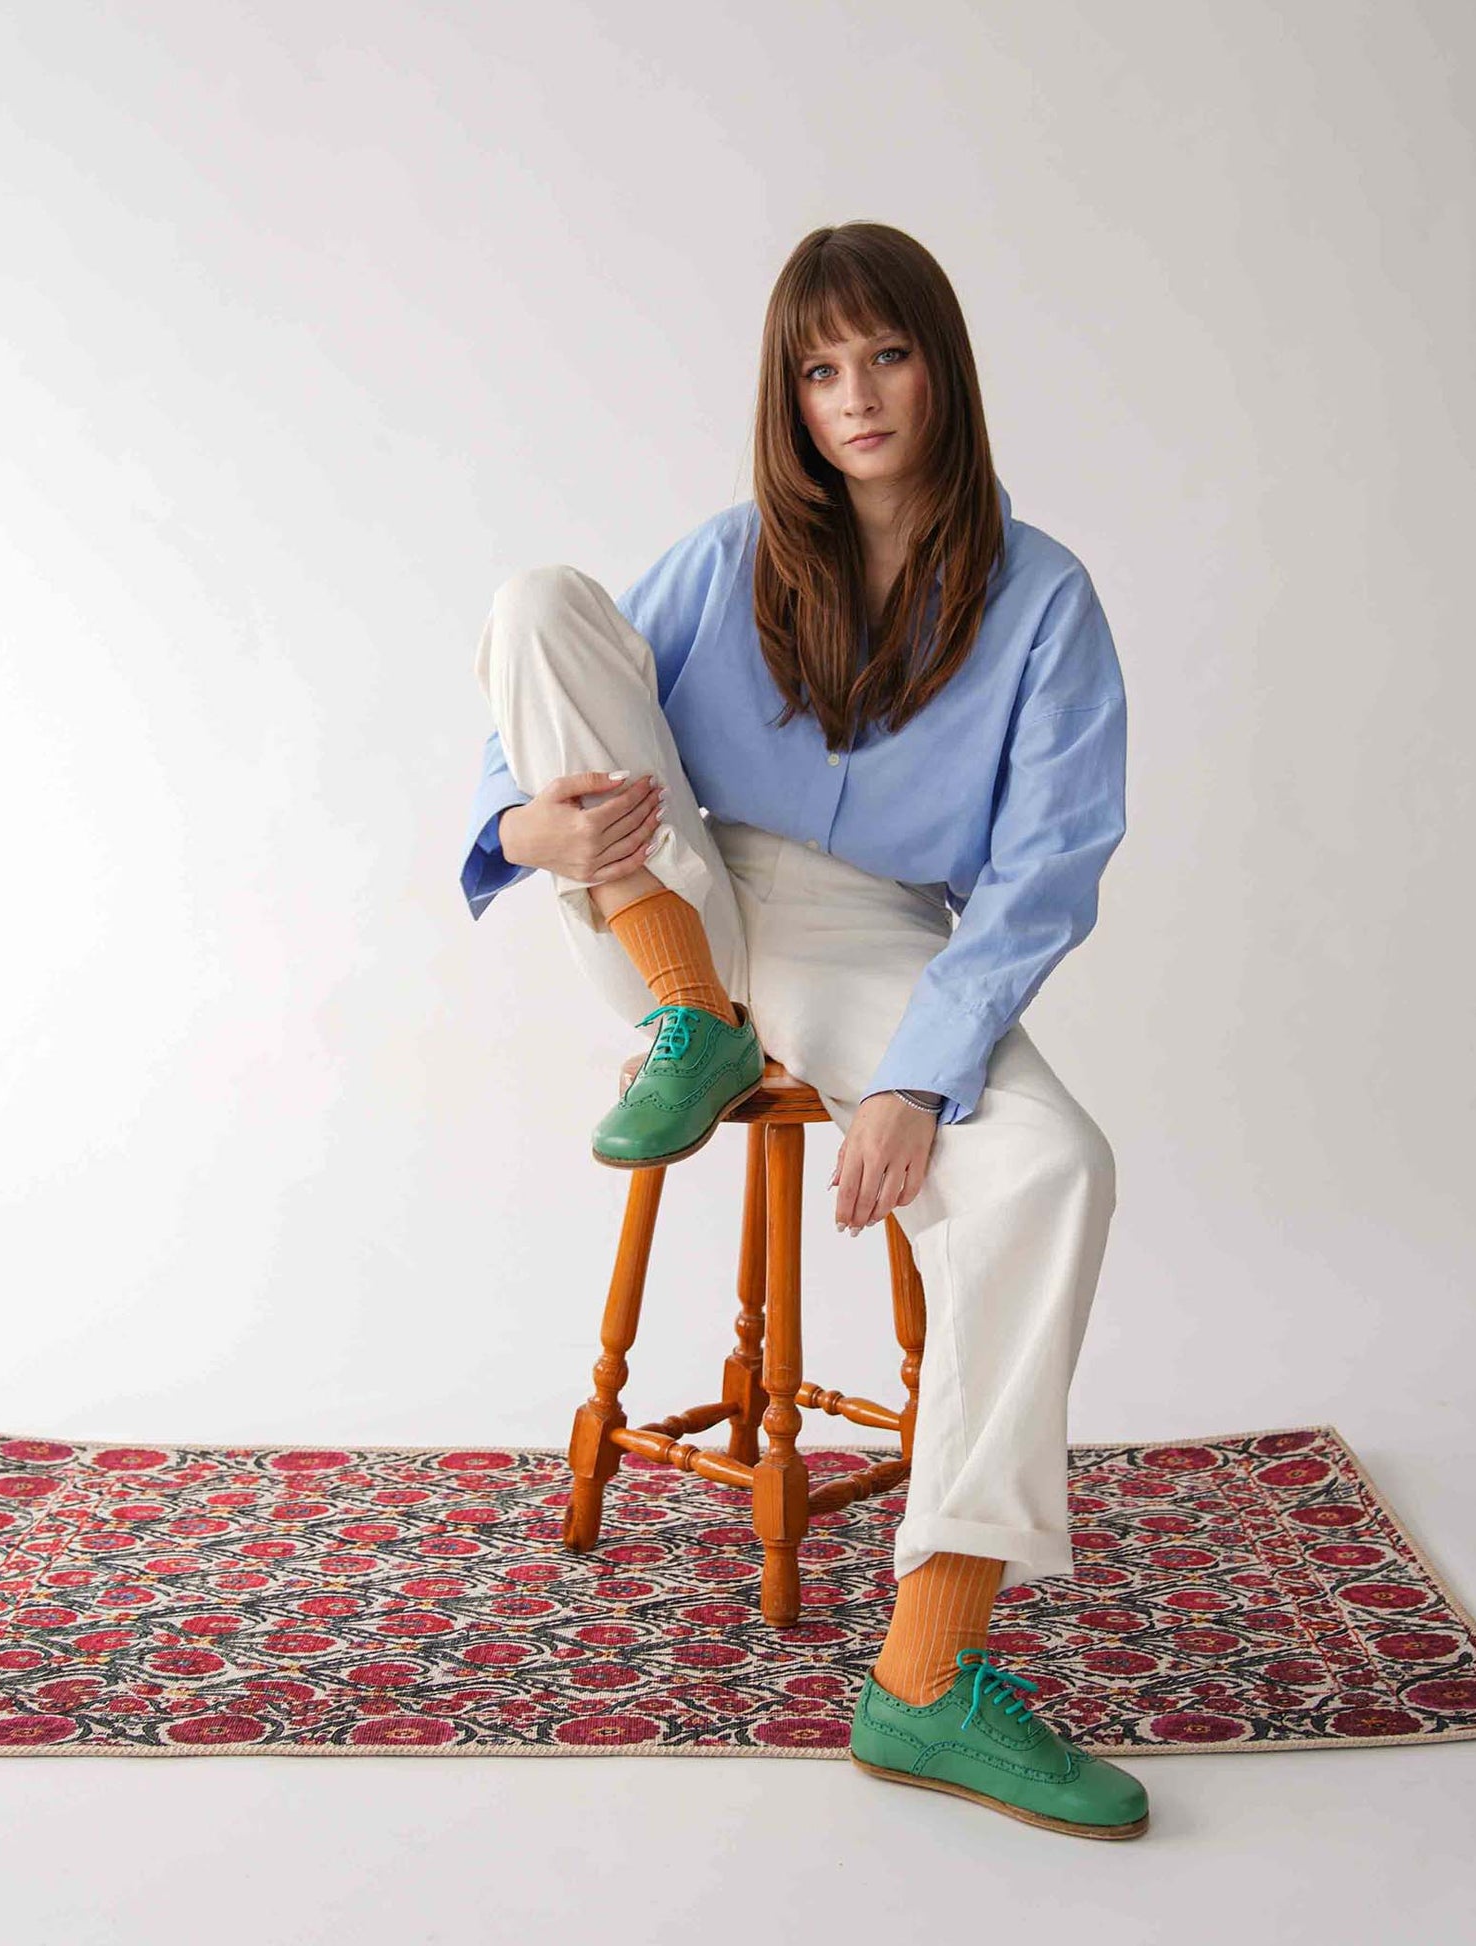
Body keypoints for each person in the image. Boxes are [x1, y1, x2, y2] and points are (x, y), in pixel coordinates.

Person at [461, 222, 1146, 1840]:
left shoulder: (1043, 598)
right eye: (819, 368)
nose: (854, 396)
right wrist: (523, 832)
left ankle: (924, 1675)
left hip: (877, 934)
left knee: (1054, 1165)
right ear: (789, 391)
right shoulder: (725, 556)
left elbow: (1045, 870)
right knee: (537, 598)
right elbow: (548, 698)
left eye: (885, 356)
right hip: (674, 881)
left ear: (941, 369)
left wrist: (920, 1071)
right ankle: (688, 1020)